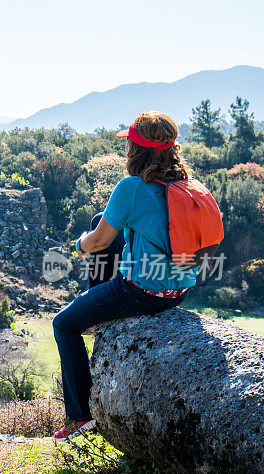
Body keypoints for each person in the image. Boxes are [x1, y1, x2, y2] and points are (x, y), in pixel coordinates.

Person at [52, 111, 196, 442]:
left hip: (143, 291)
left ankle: (79, 416)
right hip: (179, 286)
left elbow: (99, 242)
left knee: (64, 324)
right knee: (101, 217)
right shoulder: (186, 185)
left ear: (136, 149)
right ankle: (98, 308)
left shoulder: (132, 187)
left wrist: (78, 247)